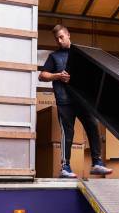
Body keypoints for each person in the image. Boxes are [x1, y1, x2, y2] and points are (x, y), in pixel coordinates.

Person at [39, 25, 113, 178]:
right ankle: (65, 167)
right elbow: (42, 75)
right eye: (57, 38)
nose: (59, 41)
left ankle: (97, 163)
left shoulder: (81, 54)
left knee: (93, 126)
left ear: (68, 35)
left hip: (83, 100)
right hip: (64, 101)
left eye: (61, 37)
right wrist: (58, 76)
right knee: (68, 133)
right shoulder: (54, 57)